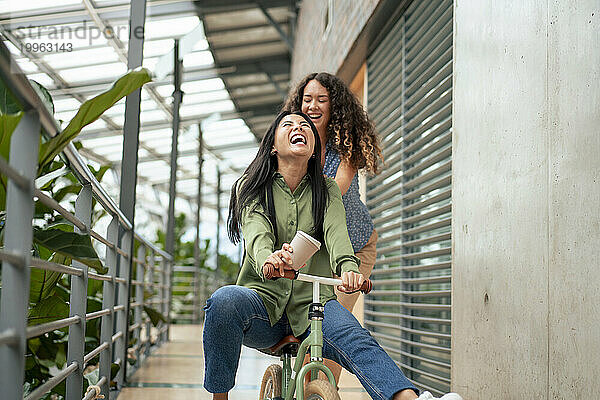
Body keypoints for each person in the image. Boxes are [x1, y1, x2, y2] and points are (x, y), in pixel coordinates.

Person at [202, 111, 461, 400]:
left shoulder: (326, 190)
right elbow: (256, 233)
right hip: (263, 306)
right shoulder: (252, 187)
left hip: (314, 303)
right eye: (288, 125)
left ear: (314, 150)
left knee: (357, 339)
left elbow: (338, 237)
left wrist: (349, 269)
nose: (298, 128)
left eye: (305, 127)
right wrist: (268, 258)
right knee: (223, 301)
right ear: (273, 145)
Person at [282, 72, 382, 382]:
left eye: (321, 100)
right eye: (307, 99)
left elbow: (333, 192)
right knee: (301, 324)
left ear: (334, 106)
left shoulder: (346, 146)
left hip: (353, 246)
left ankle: (324, 389)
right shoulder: (295, 144)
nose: (312, 106)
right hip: (315, 249)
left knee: (333, 326)